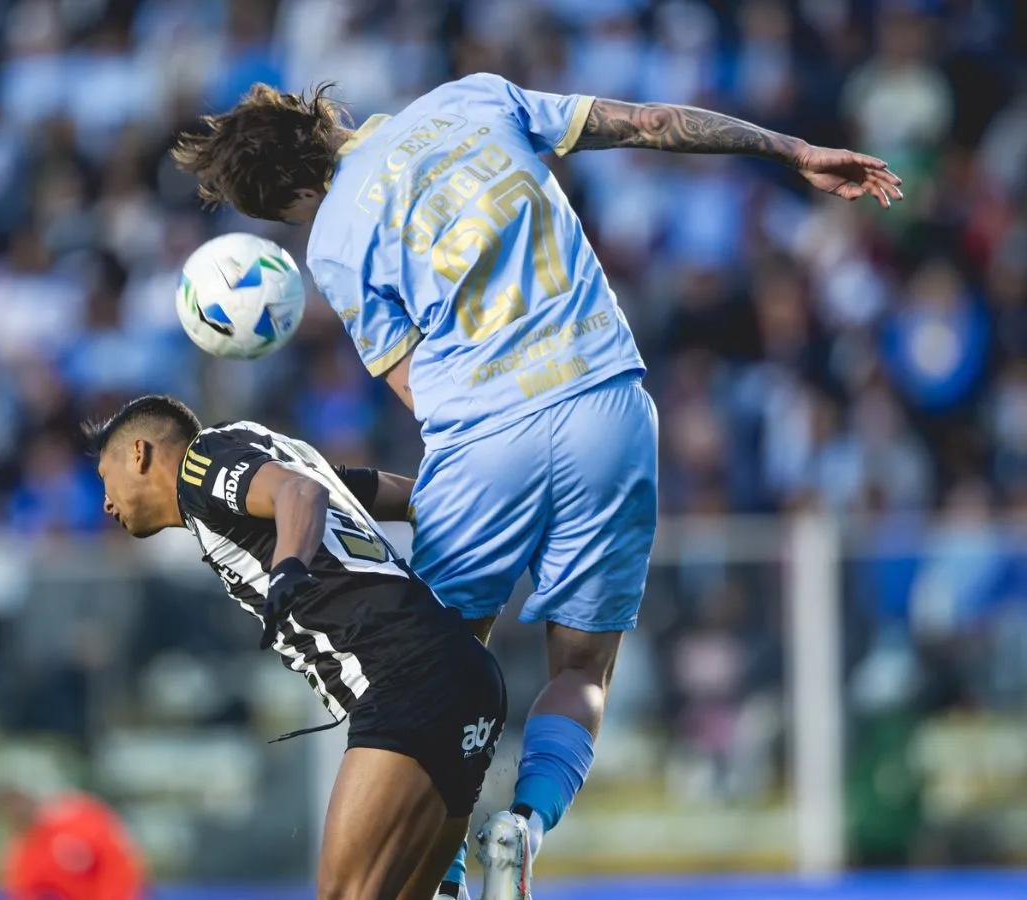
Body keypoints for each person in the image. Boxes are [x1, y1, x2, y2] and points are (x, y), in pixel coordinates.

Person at [171, 75, 903, 900]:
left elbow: (416, 387)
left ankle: (445, 867)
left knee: (435, 674)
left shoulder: (335, 238)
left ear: (297, 195)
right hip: (607, 405)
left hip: (484, 441)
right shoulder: (472, 99)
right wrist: (792, 150)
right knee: (583, 668)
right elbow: (650, 123)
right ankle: (524, 825)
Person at [84, 394, 506, 900]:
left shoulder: (200, 466)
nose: (106, 502)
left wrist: (289, 567)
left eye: (104, 477)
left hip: (403, 678)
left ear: (138, 454)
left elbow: (302, 493)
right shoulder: (266, 449)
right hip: (464, 673)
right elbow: (378, 493)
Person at [0, 788, 146, 900]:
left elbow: (117, 859)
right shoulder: (21, 859)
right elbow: (23, 893)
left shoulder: (77, 819)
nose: (16, 814)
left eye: (18, 806)